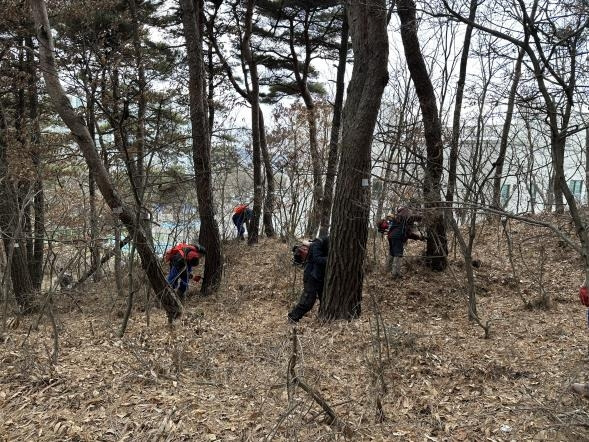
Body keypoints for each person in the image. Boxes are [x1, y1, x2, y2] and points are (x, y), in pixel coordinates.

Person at [288, 236, 329, 323]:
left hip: (320, 277)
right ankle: (293, 317)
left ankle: (323, 319)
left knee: (325, 299)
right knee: (308, 301)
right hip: (311, 276)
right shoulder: (318, 243)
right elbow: (317, 259)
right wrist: (332, 259)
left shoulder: (325, 244)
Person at [386, 206, 425, 278]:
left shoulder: (399, 216)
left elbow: (408, 233)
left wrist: (418, 237)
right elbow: (412, 219)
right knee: (398, 254)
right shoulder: (405, 212)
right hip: (398, 236)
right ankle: (395, 274)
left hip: (391, 236)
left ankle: (387, 271)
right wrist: (423, 217)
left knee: (392, 253)